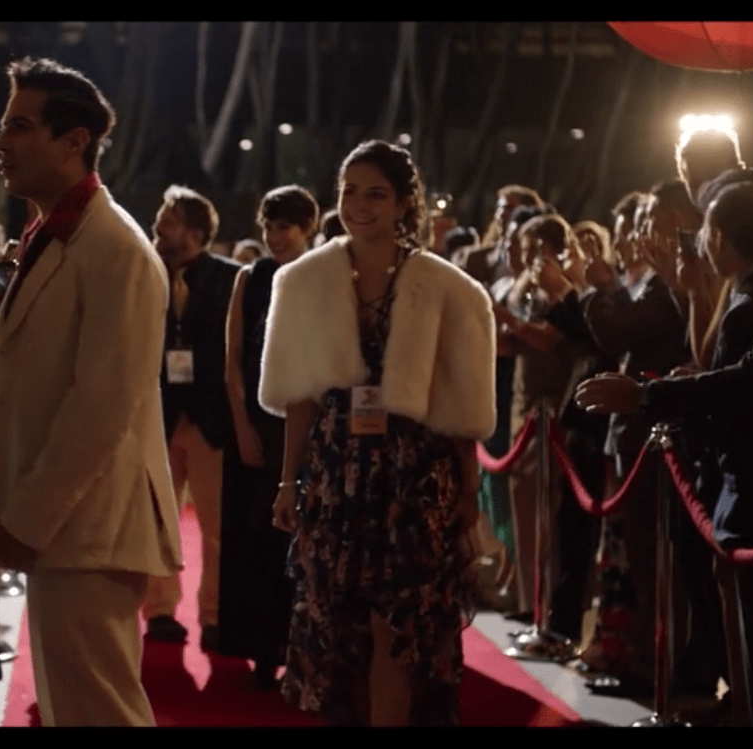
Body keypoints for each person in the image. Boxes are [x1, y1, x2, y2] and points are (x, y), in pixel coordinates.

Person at [0, 56, 181, 727]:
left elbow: (100, 410)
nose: (1, 142)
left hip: (90, 526)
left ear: (74, 142)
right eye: (4, 125)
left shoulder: (115, 248)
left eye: (20, 126)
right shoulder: (57, 233)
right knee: (76, 710)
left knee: (100, 712)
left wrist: (23, 519)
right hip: (66, 527)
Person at [261, 140, 494, 726]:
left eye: (376, 194)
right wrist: (288, 481)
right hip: (336, 474)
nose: (359, 206)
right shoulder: (304, 281)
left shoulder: (446, 287)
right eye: (349, 192)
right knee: (338, 624)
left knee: (402, 623)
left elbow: (460, 404)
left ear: (404, 203)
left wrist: (469, 491)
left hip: (416, 476)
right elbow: (298, 396)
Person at [576, 178, 753, 725]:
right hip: (739, 488)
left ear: (722, 238)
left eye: (705, 230)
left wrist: (646, 396)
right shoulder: (745, 292)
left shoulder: (752, 302)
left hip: (752, 489)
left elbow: (742, 382)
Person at [221, 185, 319, 689]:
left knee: (307, 543)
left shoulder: (323, 275)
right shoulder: (252, 276)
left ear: (308, 227)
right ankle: (263, 650)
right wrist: (241, 425)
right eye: (268, 226)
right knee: (259, 542)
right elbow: (234, 360)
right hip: (260, 426)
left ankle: (305, 652)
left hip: (313, 428)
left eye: (285, 227)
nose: (275, 236)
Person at [143, 185, 239, 649]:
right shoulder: (146, 275)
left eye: (170, 220)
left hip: (211, 419)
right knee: (158, 522)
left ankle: (216, 616)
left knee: (217, 528)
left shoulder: (229, 278)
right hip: (160, 416)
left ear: (196, 232)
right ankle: (160, 610)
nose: (158, 227)